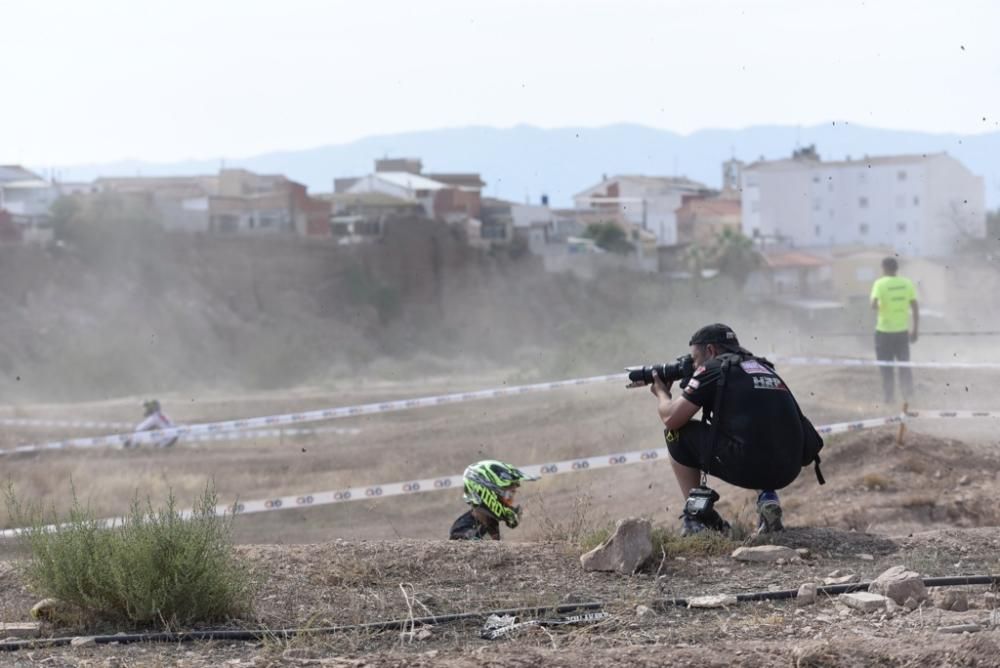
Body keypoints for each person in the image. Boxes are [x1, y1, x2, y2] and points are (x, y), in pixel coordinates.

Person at [649, 324, 824, 536]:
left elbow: (671, 418)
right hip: (789, 467)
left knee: (677, 434)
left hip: (751, 466)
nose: (693, 365)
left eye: (694, 359)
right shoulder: (763, 366)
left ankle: (696, 517)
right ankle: (768, 497)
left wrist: (661, 392)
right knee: (755, 428)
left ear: (711, 351)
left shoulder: (712, 368)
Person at [870, 256, 919, 404]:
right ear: (896, 269)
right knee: (904, 364)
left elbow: (873, 305)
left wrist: (881, 306)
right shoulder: (907, 283)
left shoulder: (880, 284)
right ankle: (908, 397)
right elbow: (915, 306)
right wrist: (915, 329)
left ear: (884, 268)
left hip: (884, 332)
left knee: (886, 367)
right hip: (902, 332)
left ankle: (889, 398)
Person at [449, 460, 537, 540]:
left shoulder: (489, 521)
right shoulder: (463, 532)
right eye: (507, 494)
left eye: (512, 495)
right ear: (486, 493)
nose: (509, 502)